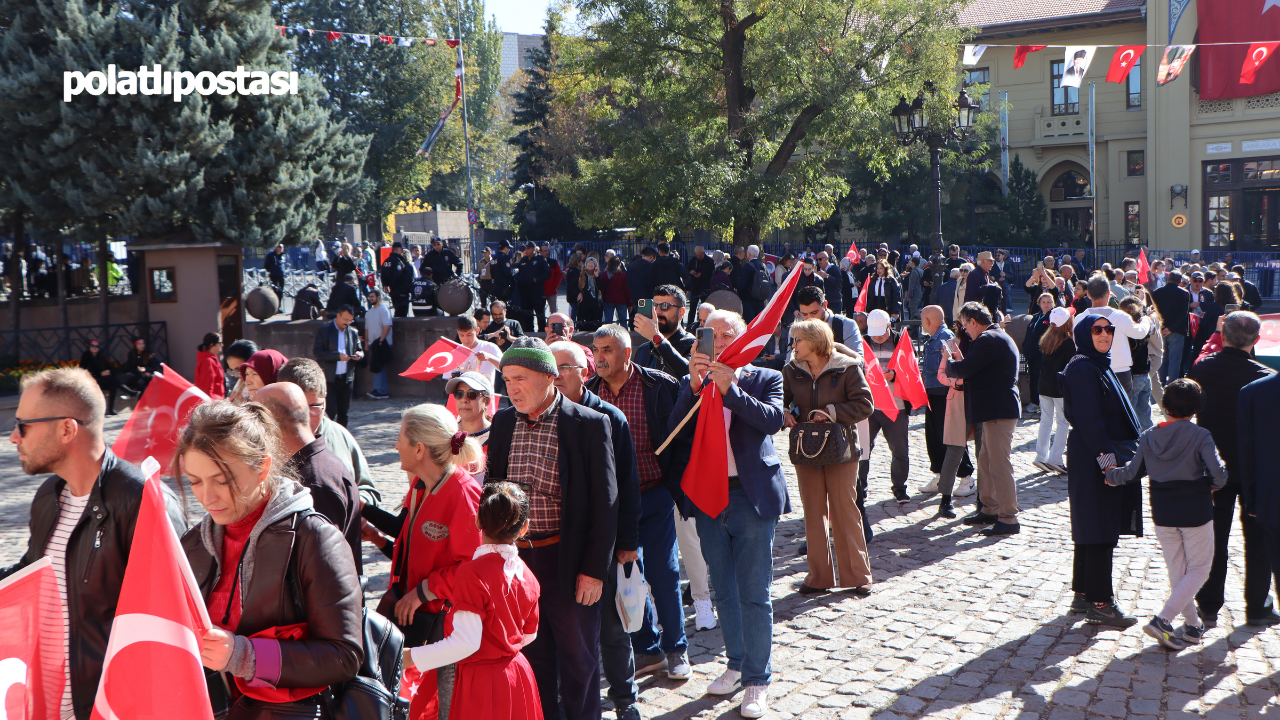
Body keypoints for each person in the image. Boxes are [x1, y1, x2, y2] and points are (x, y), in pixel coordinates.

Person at [0, 368, 185, 719]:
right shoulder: (47, 497)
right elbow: (32, 575)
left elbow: (172, 622)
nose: (12, 437)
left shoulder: (143, 500)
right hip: (51, 705)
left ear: (67, 429)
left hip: (115, 707)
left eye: (23, 426)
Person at [177, 401, 362, 719]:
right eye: (195, 481)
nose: (207, 496)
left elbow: (343, 655)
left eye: (222, 480)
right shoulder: (193, 543)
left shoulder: (313, 538)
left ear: (263, 467)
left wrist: (243, 655)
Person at [484, 337, 618, 720]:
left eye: (520, 378)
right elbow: (493, 489)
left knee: (579, 660)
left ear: (549, 377)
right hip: (517, 561)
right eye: (507, 380)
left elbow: (605, 505)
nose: (511, 388)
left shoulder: (589, 424)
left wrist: (593, 571)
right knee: (531, 655)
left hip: (567, 558)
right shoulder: (505, 420)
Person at [670, 309, 784, 718]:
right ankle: (736, 664)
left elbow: (772, 421)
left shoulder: (765, 377)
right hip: (707, 495)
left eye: (725, 333)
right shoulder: (693, 383)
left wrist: (731, 389)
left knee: (754, 592)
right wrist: (694, 386)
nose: (717, 341)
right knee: (724, 589)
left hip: (749, 495)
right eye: (710, 334)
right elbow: (673, 432)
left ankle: (757, 679)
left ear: (742, 337)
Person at [360, 403, 483, 716]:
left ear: (418, 449)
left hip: (442, 627)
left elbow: (474, 569)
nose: (395, 445)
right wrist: (378, 539)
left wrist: (423, 592)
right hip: (413, 617)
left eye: (400, 438)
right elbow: (412, 546)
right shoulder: (419, 484)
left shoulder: (462, 493)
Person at [587, 324, 694, 681]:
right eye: (596, 350)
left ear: (626, 353)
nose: (598, 357)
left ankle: (676, 650)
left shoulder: (659, 384)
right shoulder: (588, 394)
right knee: (625, 573)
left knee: (664, 573)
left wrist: (672, 483)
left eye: (606, 350)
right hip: (612, 503)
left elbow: (683, 437)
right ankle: (647, 650)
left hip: (655, 492)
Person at [548, 339, 644, 719]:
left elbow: (626, 488)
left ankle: (625, 699)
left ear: (584, 373)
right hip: (556, 543)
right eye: (551, 367)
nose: (556, 376)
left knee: (612, 627)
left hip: (601, 544)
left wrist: (627, 543)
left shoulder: (607, 418)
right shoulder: (539, 415)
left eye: (565, 367)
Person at [402, 482, 542, 719]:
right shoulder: (527, 574)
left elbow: (465, 642)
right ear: (524, 528)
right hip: (517, 676)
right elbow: (529, 635)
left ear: (478, 521)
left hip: (481, 682)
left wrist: (410, 657)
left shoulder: (471, 573)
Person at [1104, 379, 1226, 649]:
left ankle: (1193, 627)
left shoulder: (1149, 435)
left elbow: (1131, 472)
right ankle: (1164, 619)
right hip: (1195, 507)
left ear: (1166, 405)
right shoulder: (1200, 435)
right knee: (1198, 569)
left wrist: (1111, 476)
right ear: (1195, 408)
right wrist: (1213, 485)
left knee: (1178, 569)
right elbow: (1218, 475)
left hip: (1163, 510)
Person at [1187, 311, 1280, 628]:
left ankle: (1209, 604)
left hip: (1212, 466)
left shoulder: (1202, 369)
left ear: (1222, 336)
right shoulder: (1264, 378)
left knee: (1214, 538)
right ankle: (1257, 605)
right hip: (1254, 468)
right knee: (1258, 539)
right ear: (1256, 341)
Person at [1062, 313, 1144, 627]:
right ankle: (1101, 602)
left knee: (1090, 525)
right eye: (1097, 330)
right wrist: (1109, 466)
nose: (1104, 335)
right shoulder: (1085, 367)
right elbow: (1090, 421)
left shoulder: (1096, 364)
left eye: (1108, 330)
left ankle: (1083, 594)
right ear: (1085, 334)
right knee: (1098, 528)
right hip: (1095, 455)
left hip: (1092, 453)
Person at [783, 319, 874, 595]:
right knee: (813, 511)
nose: (793, 345)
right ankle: (818, 577)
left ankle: (858, 576)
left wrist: (831, 413)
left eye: (798, 340)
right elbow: (783, 400)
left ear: (815, 340)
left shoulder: (847, 367)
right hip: (805, 449)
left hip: (842, 448)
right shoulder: (791, 370)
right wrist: (784, 413)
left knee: (845, 510)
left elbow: (865, 404)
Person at [255, 383, 363, 574]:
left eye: (255, 421)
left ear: (269, 425)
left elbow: (323, 569)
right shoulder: (316, 464)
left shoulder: (314, 481)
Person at [945, 302, 1022, 536]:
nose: (964, 330)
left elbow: (965, 369)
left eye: (964, 325)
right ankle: (989, 509)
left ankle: (1008, 517)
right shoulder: (996, 336)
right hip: (995, 409)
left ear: (973, 322)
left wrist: (950, 363)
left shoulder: (988, 339)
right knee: (986, 460)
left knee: (998, 465)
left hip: (999, 410)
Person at [277, 358, 380, 506]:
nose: (305, 416)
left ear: (325, 401)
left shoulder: (341, 435)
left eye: (314, 407)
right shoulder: (266, 441)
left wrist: (361, 503)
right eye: (297, 407)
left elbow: (367, 489)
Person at [858, 309, 913, 512]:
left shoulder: (901, 341)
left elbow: (911, 370)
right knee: (862, 449)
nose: (877, 338)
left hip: (896, 405)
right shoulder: (862, 341)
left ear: (889, 327)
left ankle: (899, 487)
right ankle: (859, 487)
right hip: (868, 406)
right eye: (874, 334)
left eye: (881, 334)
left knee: (900, 449)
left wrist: (894, 375)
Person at [919, 306, 973, 499]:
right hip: (932, 393)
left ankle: (966, 477)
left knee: (952, 436)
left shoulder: (945, 338)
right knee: (934, 436)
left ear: (927, 321)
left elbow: (950, 368)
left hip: (945, 394)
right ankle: (941, 475)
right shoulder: (933, 338)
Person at [1074, 274, 1151, 393]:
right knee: (1120, 410)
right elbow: (1140, 333)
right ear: (1109, 294)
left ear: (1088, 294)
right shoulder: (1121, 316)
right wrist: (1146, 319)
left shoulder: (1079, 319)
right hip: (1119, 371)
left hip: (1091, 370)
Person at [1033, 308, 1075, 475]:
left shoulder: (1046, 339)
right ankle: (1055, 459)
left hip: (1044, 385)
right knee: (1063, 422)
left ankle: (1041, 456)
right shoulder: (1068, 343)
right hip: (1059, 388)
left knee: (1045, 421)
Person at [312, 305, 363, 427]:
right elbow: (318, 352)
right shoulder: (325, 330)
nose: (348, 323)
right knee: (330, 411)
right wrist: (337, 357)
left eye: (350, 320)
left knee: (344, 413)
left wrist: (359, 355)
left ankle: (342, 439)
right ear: (338, 316)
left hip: (347, 378)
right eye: (346, 320)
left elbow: (360, 350)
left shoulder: (353, 332)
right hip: (329, 378)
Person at [632, 285, 696, 378]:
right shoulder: (643, 349)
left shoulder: (692, 345)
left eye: (665, 306)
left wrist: (657, 338)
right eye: (654, 306)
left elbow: (690, 376)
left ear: (681, 312)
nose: (658, 312)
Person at [1022, 294, 1055, 414]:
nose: (1046, 305)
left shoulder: (1053, 317)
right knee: (1033, 377)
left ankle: (1038, 403)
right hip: (1032, 354)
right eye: (1043, 302)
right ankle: (1034, 401)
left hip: (1042, 354)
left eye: (1049, 302)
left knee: (1040, 378)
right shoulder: (1036, 317)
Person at [515, 243, 551, 332]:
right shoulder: (523, 260)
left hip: (537, 292)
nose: (526, 250)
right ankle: (528, 333)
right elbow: (517, 273)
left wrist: (537, 280)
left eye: (529, 248)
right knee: (526, 315)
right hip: (525, 292)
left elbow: (547, 273)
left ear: (534, 249)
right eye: (526, 248)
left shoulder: (540, 259)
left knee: (540, 314)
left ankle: (542, 333)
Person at [365, 289, 393, 400]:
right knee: (376, 367)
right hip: (373, 343)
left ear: (378, 297)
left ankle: (381, 391)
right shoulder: (369, 312)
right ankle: (378, 389)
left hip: (381, 343)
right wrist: (367, 342)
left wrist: (381, 340)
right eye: (369, 297)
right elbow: (367, 328)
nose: (371, 298)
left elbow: (387, 325)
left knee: (379, 367)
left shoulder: (383, 310)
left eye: (372, 296)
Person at [79, 339, 119, 415]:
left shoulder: (101, 356)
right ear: (89, 347)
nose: (95, 348)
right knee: (110, 379)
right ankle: (128, 391)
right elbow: (84, 371)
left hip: (102, 381)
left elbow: (111, 368)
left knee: (112, 385)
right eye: (92, 346)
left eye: (97, 346)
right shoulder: (86, 357)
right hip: (91, 381)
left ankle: (110, 409)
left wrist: (109, 372)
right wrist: (100, 374)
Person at [381, 242, 416, 317]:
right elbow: (397, 275)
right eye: (401, 250)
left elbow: (383, 275)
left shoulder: (386, 261)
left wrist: (386, 285)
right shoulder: (397, 261)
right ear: (397, 250)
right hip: (400, 291)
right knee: (401, 313)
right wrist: (391, 286)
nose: (402, 252)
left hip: (393, 291)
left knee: (397, 310)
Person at [736, 245, 769, 322]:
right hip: (761, 299)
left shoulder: (747, 267)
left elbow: (742, 284)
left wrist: (741, 296)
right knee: (759, 323)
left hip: (749, 300)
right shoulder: (763, 266)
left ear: (749, 254)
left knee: (750, 324)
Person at [194, 332, 226, 401]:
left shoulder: (212, 359)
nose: (222, 345)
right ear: (212, 345)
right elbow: (207, 387)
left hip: (216, 400)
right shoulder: (207, 361)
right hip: (212, 401)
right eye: (220, 343)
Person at [224, 339, 259, 404]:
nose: (236, 375)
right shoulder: (240, 385)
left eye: (238, 369)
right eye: (232, 370)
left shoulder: (260, 385)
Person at [575, 257, 604, 331]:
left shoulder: (598, 274)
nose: (590, 265)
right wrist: (579, 293)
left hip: (595, 304)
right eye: (589, 263)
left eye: (592, 263)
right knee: (583, 326)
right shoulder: (580, 273)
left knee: (595, 326)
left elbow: (601, 287)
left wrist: (597, 276)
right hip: (584, 304)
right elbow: (574, 286)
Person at [601, 256, 631, 324]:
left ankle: (608, 334)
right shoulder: (623, 275)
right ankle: (624, 333)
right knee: (623, 322)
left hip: (608, 299)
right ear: (619, 264)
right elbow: (627, 289)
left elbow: (603, 288)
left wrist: (603, 299)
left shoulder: (605, 274)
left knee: (608, 322)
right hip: (621, 300)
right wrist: (630, 303)